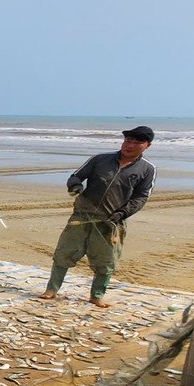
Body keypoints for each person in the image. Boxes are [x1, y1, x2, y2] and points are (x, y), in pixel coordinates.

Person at [41, 126, 156, 308]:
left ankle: (96, 296)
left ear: (147, 145)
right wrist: (75, 186)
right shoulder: (100, 159)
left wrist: (123, 213)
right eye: (128, 140)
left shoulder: (147, 169)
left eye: (137, 142)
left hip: (110, 223)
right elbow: (75, 176)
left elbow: (142, 196)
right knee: (64, 253)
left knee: (106, 261)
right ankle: (51, 290)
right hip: (81, 217)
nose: (130, 145)